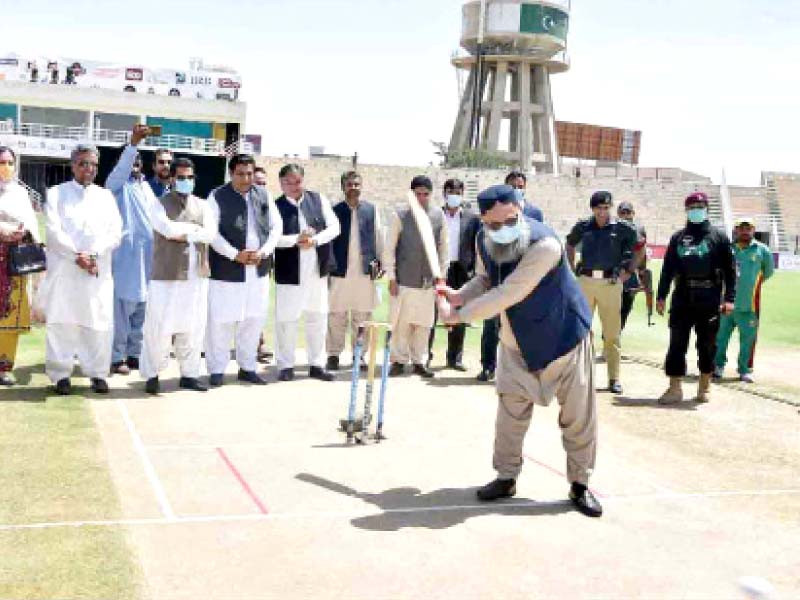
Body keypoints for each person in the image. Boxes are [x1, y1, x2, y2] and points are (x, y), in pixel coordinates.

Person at [438, 184, 601, 518]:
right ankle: (506, 476)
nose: (501, 230)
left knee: (578, 418)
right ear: (484, 221)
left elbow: (508, 293)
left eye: (509, 221)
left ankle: (580, 484)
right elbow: (485, 281)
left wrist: (459, 316)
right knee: (509, 416)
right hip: (516, 344)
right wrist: (459, 295)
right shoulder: (484, 240)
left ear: (520, 210)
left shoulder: (546, 245)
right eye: (494, 225)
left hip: (563, 339)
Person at [39, 144, 122, 395]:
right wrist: (77, 256)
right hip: (66, 271)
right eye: (83, 163)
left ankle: (97, 373)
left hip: (97, 271)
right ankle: (60, 375)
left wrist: (93, 254)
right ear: (73, 165)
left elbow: (115, 233)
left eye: (93, 164)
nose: (89, 169)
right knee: (62, 323)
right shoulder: (56, 194)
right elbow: (53, 232)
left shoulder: (105, 197)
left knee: (98, 324)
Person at [139, 157, 216, 394]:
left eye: (190, 178)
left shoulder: (203, 206)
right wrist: (195, 231)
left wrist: (188, 233)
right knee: (160, 326)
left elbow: (211, 234)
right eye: (181, 177)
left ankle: (190, 374)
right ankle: (152, 373)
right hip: (167, 275)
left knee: (194, 325)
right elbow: (168, 230)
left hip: (197, 275)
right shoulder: (158, 204)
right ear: (172, 178)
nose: (186, 182)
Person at [206, 154, 282, 387]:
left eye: (250, 173)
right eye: (241, 174)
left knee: (254, 319)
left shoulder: (264, 195)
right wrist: (234, 254)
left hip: (257, 269)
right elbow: (212, 233)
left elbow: (275, 227)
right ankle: (217, 369)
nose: (246, 178)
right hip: (227, 269)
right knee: (222, 321)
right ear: (231, 173)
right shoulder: (217, 196)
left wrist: (264, 251)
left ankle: (247, 367)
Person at [656, 192, 736, 404]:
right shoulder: (678, 238)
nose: (696, 210)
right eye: (692, 206)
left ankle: (704, 386)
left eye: (700, 206)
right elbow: (667, 269)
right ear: (686, 210)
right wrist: (661, 295)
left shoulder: (719, 238)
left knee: (707, 344)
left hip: (709, 296)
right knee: (677, 343)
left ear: (707, 208)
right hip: (682, 295)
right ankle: (674, 388)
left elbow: (730, 271)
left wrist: (729, 298)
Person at [274, 164, 340, 382]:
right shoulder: (275, 207)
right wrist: (296, 240)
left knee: (317, 317)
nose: (294, 186)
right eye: (288, 182)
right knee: (287, 320)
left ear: (303, 180)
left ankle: (316, 364)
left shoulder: (318, 199)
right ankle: (285, 365)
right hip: (289, 271)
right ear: (281, 183)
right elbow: (272, 238)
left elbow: (334, 228)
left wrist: (314, 240)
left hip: (316, 270)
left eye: (297, 181)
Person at [566, 191, 637, 395]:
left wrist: (629, 271)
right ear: (593, 209)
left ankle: (614, 378)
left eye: (606, 208)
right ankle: (582, 375)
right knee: (582, 330)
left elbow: (640, 246)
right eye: (599, 208)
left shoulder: (621, 227)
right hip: (586, 280)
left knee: (612, 333)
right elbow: (570, 243)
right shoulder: (584, 226)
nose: (602, 212)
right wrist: (571, 270)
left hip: (610, 282)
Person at [384, 176, 448, 379]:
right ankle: (399, 360)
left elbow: (444, 248)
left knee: (424, 324)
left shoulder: (438, 215)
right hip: (404, 280)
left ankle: (420, 360)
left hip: (428, 282)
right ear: (411, 194)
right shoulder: (400, 215)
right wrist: (391, 277)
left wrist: (441, 276)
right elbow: (389, 249)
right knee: (401, 324)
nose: (421, 198)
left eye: (425, 194)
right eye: (417, 194)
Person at [106, 125, 155, 376]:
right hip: (125, 256)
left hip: (148, 257)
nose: (135, 163)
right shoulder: (115, 185)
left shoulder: (146, 188)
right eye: (130, 159)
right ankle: (116, 357)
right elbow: (122, 168)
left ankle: (135, 353)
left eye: (138, 160)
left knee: (142, 306)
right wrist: (133, 144)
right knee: (122, 307)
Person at [326, 171, 383, 371]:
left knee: (363, 316)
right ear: (343, 187)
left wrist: (380, 262)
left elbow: (378, 236)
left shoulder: (371, 210)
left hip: (364, 271)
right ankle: (333, 354)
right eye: (350, 185)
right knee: (336, 315)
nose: (353, 188)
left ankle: (359, 355)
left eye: (357, 184)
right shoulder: (334, 210)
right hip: (339, 271)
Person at [713, 217, 774, 384]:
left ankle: (745, 370)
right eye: (741, 228)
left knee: (748, 340)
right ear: (736, 230)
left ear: (753, 230)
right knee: (720, 338)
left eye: (748, 228)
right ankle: (717, 367)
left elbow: (767, 272)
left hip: (749, 305)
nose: (745, 231)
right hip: (726, 304)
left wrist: (750, 286)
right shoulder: (728, 249)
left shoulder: (762, 250)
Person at [429, 178, 480, 371]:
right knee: (432, 313)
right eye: (451, 192)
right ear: (444, 194)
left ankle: (455, 357)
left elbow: (476, 246)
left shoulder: (471, 219)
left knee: (460, 314)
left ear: (462, 194)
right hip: (439, 269)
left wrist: (474, 270)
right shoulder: (435, 215)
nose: (454, 196)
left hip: (462, 270)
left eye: (458, 193)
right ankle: (426, 355)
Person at [0, 146, 41, 386]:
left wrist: (22, 232)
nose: (5, 167)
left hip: (15, 262)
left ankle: (4, 366)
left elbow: (32, 222)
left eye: (9, 163)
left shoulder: (20, 193)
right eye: (1, 162)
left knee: (11, 314)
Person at [617, 201, 648, 330]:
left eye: (628, 212)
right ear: (618, 214)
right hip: (615, 273)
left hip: (630, 275)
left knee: (625, 310)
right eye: (622, 212)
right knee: (612, 310)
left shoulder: (639, 229)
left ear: (633, 213)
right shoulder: (613, 227)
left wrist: (642, 275)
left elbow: (642, 254)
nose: (625, 215)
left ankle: (616, 337)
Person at [253, 166, 273, 365]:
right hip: (238, 262)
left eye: (264, 183)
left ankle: (260, 343)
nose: (261, 186)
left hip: (263, 264)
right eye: (257, 183)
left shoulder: (270, 206)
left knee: (259, 306)